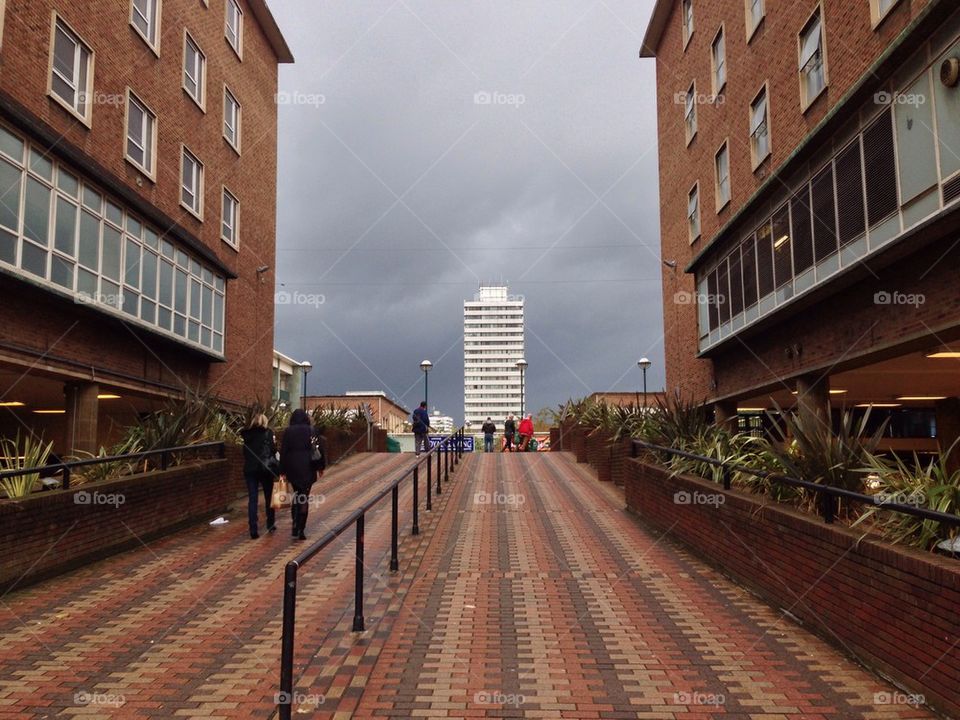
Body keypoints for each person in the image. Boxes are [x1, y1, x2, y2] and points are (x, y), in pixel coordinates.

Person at [280, 408, 325, 540]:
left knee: (297, 494)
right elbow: (319, 449)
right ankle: (301, 529)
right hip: (308, 467)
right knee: (304, 497)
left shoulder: (288, 432)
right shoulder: (312, 430)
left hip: (292, 467)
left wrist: (282, 471)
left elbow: (283, 452)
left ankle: (295, 522)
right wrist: (321, 467)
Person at [241, 414, 278, 539]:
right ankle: (270, 523)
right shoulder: (268, 433)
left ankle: (253, 529)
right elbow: (273, 450)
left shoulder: (246, 435)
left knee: (253, 499)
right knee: (268, 496)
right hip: (265, 469)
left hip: (250, 469)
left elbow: (245, 453)